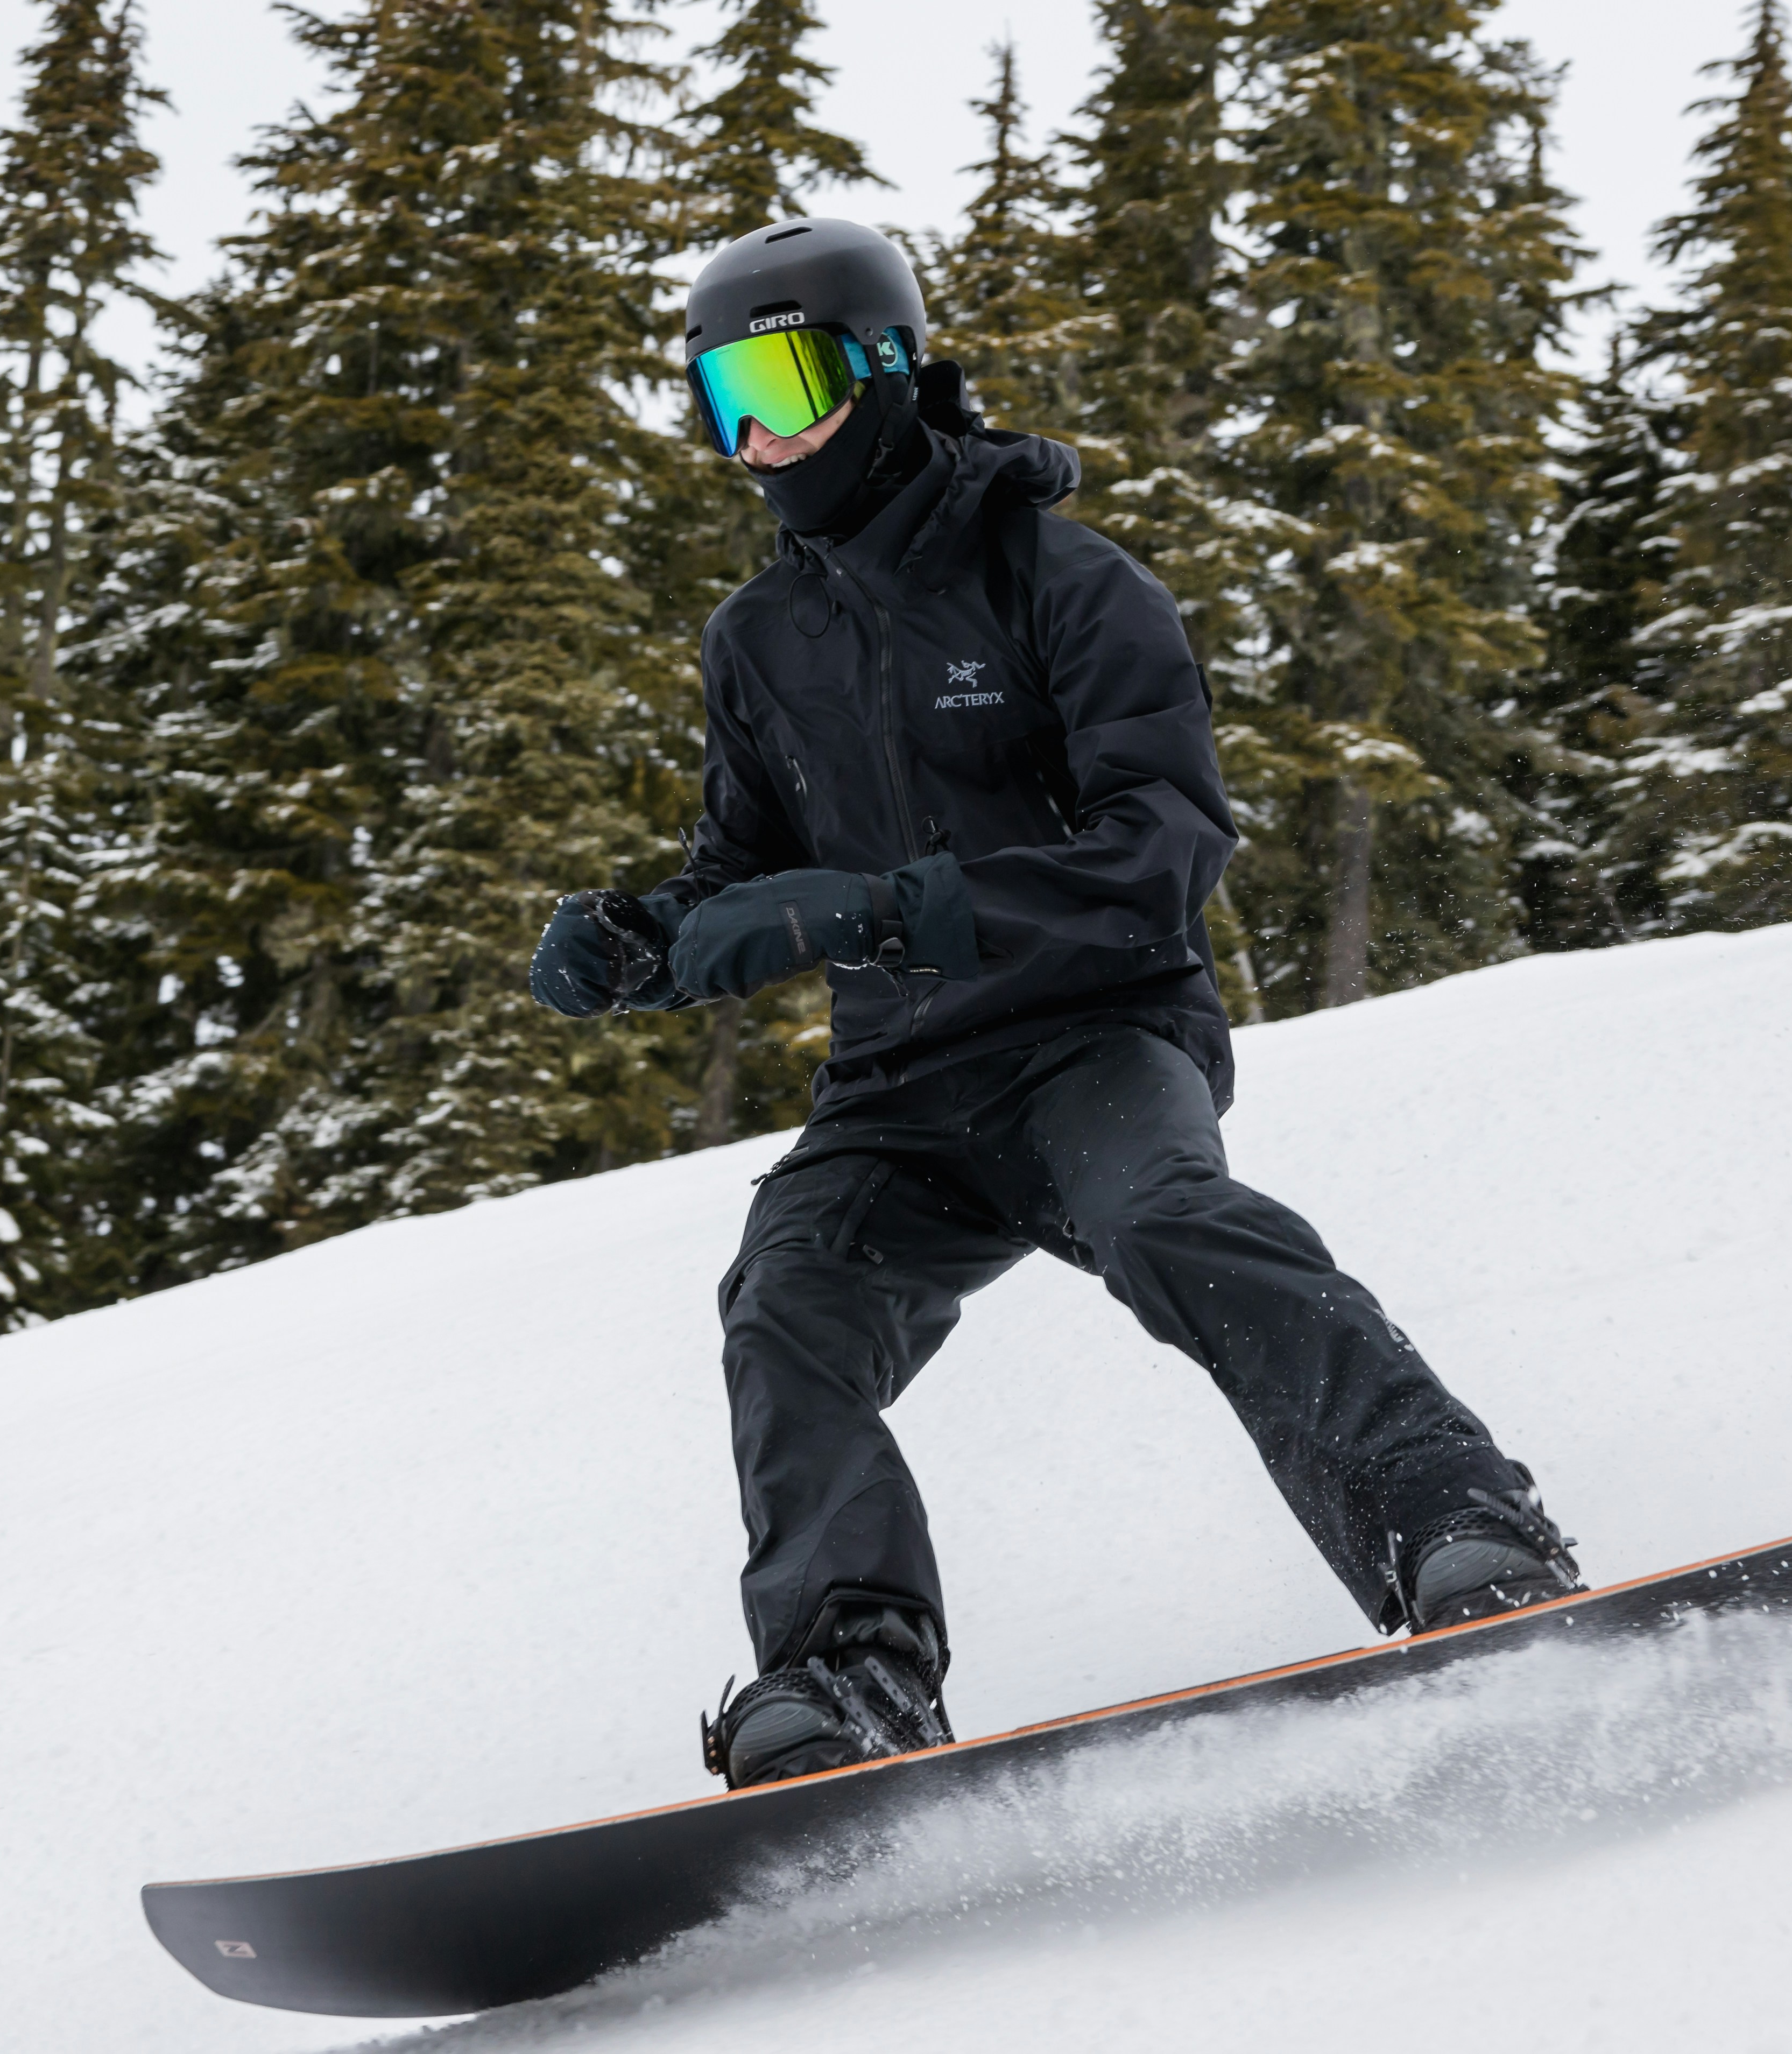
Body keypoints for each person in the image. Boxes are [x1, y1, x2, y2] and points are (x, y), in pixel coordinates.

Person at [531, 219, 1581, 1791]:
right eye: (721, 402)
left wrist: (889, 908)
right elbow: (744, 867)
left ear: (885, 371)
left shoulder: (1060, 579)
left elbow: (1163, 848)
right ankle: (854, 1676)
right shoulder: (758, 640)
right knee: (790, 1301)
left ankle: (1459, 1526)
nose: (760, 439)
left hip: (1096, 1033)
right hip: (900, 1089)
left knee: (1168, 1220)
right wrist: (639, 936)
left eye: (787, 385)